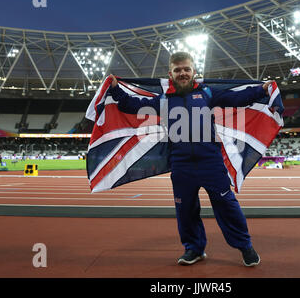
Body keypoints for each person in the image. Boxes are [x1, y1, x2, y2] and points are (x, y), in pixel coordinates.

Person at [108, 51, 274, 267]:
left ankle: (245, 246)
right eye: (178, 70)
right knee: (185, 210)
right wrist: (115, 90)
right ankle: (193, 249)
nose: (183, 73)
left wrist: (260, 89)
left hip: (211, 162)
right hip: (181, 165)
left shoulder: (207, 93)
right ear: (171, 74)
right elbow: (132, 105)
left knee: (227, 205)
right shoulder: (164, 100)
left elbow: (236, 98)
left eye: (186, 69)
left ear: (194, 71)